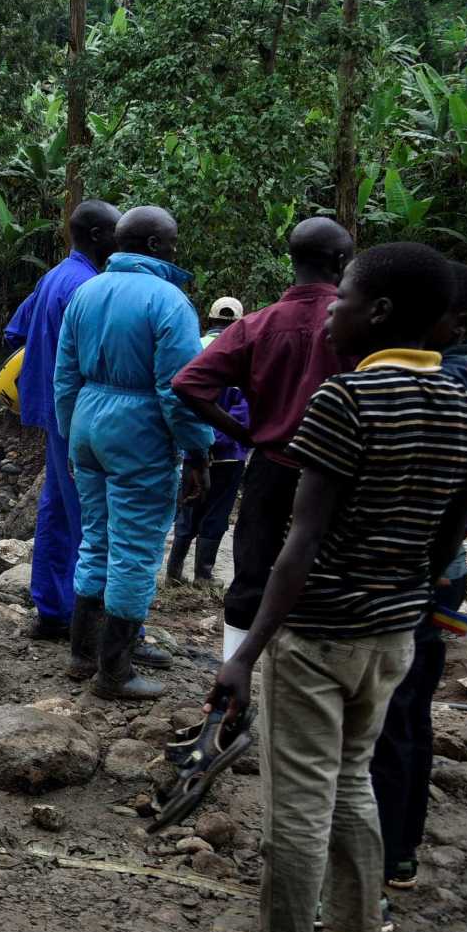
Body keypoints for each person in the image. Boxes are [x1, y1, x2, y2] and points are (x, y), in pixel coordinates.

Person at [206, 243, 467, 932]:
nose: (329, 312)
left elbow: (298, 546)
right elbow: (455, 529)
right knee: (353, 782)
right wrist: (402, 591)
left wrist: (243, 655)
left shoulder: (346, 401)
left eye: (344, 300)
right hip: (393, 637)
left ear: (382, 314)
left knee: (295, 811)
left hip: (318, 637)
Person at [370, 260, 467, 896]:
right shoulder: (459, 376)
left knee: (398, 712)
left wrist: (420, 571)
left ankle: (390, 849)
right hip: (427, 574)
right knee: (406, 711)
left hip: (418, 578)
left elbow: (459, 502)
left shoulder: (450, 384)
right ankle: (398, 845)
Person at [174, 218, 356, 660]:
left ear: (291, 261)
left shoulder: (257, 325)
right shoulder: (361, 327)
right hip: (342, 470)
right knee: (337, 570)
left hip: (272, 463)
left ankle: (231, 685)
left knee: (252, 572)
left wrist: (248, 434)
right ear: (341, 262)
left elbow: (188, 383)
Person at [53, 205, 212, 699]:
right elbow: (179, 388)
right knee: (136, 548)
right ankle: (115, 671)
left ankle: (82, 654)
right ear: (152, 246)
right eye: (171, 242)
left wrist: (70, 436)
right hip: (139, 429)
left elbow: (65, 376)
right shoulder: (169, 301)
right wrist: (198, 451)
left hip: (87, 423)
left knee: (97, 538)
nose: (176, 250)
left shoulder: (87, 292)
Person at [2, 200, 122, 640]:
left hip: (48, 410)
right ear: (95, 235)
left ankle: (52, 609)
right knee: (89, 516)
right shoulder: (87, 287)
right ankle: (99, 626)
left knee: (55, 509)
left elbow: (16, 331)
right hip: (74, 413)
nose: (120, 237)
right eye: (115, 230)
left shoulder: (55, 277)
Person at [167, 297, 252, 586]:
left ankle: (173, 573)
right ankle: (203, 576)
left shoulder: (193, 348)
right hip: (229, 453)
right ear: (240, 321)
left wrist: (198, 440)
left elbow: (180, 399)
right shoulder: (244, 355)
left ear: (210, 319)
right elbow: (244, 412)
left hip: (193, 449)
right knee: (216, 511)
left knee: (189, 506)